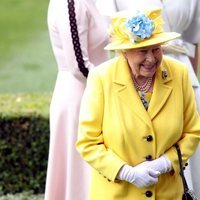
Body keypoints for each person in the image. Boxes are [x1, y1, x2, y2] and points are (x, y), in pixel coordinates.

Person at [76, 9, 200, 199]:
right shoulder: (102, 78)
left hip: (168, 194)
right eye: (143, 51)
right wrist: (126, 172)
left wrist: (166, 163)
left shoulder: (179, 73)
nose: (151, 58)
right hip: (117, 195)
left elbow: (193, 132)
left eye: (156, 49)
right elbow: (88, 142)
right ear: (124, 52)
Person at [44, 0, 109, 199]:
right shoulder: (70, 4)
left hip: (91, 92)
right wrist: (114, 84)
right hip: (81, 98)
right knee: (81, 173)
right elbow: (79, 65)